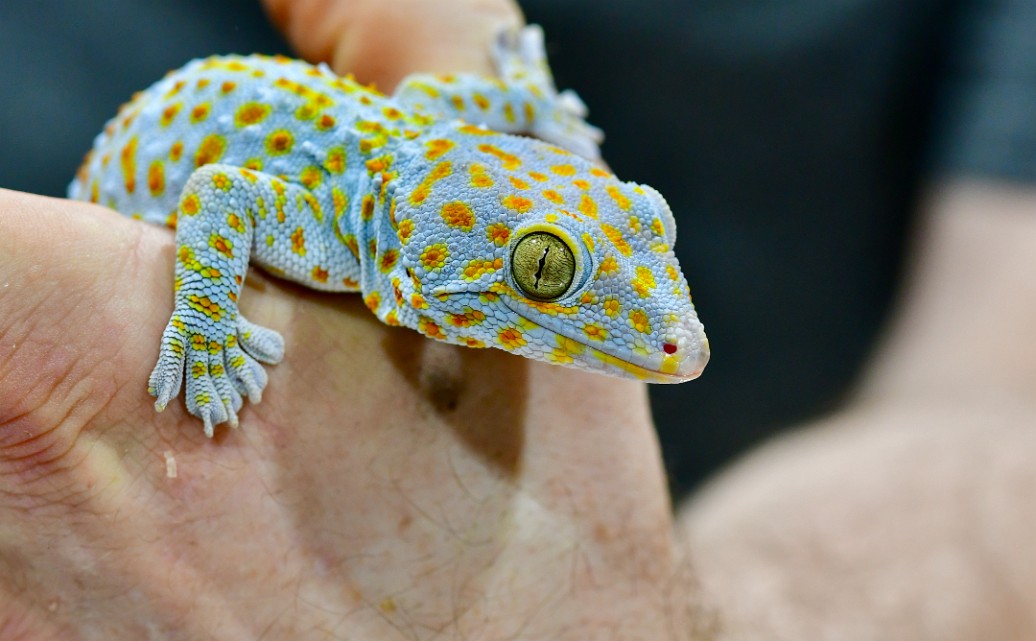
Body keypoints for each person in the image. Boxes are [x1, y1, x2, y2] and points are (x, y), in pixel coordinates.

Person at [1, 0, 1034, 639]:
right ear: (426, 248)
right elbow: (227, 198)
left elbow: (991, 400)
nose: (672, 339)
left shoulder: (427, 192)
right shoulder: (347, 223)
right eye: (545, 270)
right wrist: (203, 327)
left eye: (646, 226)